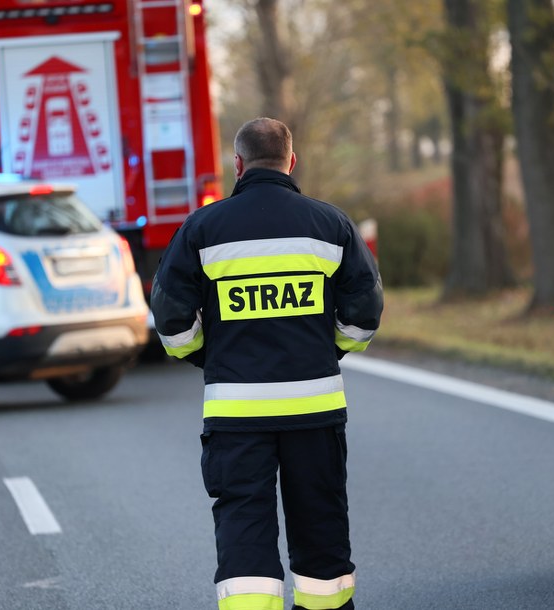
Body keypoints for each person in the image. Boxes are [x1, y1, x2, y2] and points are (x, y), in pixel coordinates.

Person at [151, 117, 383, 610]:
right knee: (320, 526)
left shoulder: (202, 229)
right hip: (314, 411)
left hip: (236, 414)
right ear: (291, 162)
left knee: (244, 528)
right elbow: (364, 314)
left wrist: (209, 356)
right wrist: (327, 349)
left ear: (237, 164)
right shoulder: (331, 225)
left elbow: (171, 323)